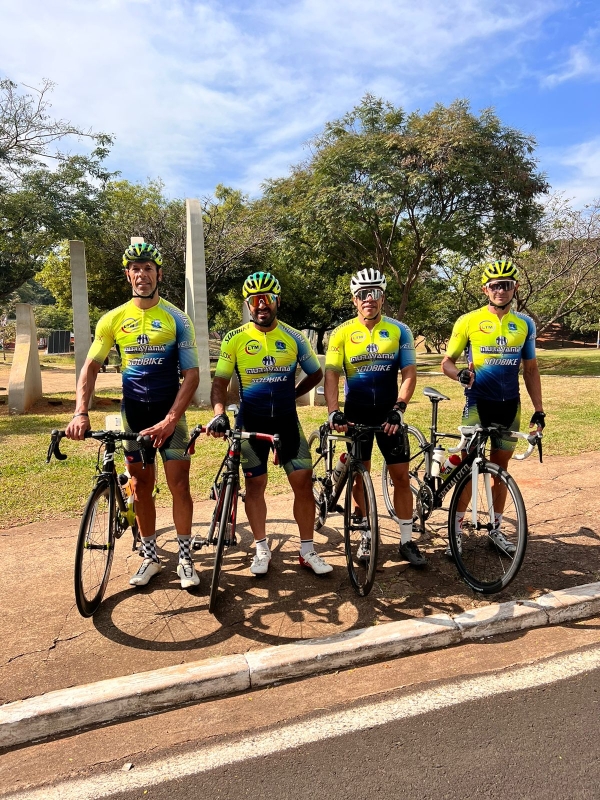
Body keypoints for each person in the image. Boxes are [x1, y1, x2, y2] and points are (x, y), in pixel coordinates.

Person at [65, 243, 201, 589]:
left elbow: (192, 375)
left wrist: (171, 419)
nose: (142, 275)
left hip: (171, 416)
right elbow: (90, 367)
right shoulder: (113, 318)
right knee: (141, 487)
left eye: (148, 268)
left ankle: (185, 558)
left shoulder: (177, 318)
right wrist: (81, 412)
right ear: (128, 275)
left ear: (159, 274)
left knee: (179, 485)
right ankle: (151, 557)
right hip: (134, 414)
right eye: (135, 269)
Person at [208, 271, 333, 576]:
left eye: (267, 299)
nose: (262, 305)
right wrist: (219, 412)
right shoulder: (234, 338)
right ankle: (262, 549)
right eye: (255, 300)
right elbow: (220, 382)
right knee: (255, 485)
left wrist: (294, 393)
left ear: (278, 301)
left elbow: (316, 373)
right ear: (248, 304)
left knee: (303, 483)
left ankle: (307, 550)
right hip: (250, 423)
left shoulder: (293, 336)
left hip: (287, 422)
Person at [441, 259, 546, 556]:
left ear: (515, 287)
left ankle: (496, 530)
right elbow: (446, 362)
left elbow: (531, 369)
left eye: (506, 284)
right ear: (485, 289)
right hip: (478, 403)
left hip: (510, 406)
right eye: (495, 285)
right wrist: (459, 374)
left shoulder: (524, 324)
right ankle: (456, 531)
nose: (501, 290)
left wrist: (539, 410)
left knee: (500, 470)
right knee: (468, 466)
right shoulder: (468, 320)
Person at [324, 268, 425, 567]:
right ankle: (367, 532)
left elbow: (409, 373)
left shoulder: (399, 330)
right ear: (354, 300)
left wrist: (400, 406)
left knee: (401, 477)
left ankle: (407, 541)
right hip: (355, 414)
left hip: (388, 415)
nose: (369, 299)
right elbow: (331, 374)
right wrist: (333, 410)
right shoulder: (341, 333)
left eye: (375, 294)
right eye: (362, 295)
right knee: (360, 474)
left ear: (382, 298)